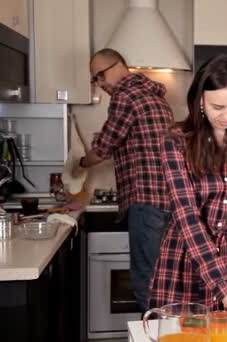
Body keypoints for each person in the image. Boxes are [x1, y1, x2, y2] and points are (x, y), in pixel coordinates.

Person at [148, 54, 227, 327]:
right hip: (186, 261)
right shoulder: (176, 141)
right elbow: (188, 217)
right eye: (217, 106)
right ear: (200, 101)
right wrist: (224, 285)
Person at [73, 48, 174, 313]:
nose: (100, 84)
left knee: (146, 282)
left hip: (146, 202)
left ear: (117, 66)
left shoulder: (125, 95)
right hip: (168, 201)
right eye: (95, 79)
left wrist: (78, 163)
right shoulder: (155, 96)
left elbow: (104, 147)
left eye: (99, 76)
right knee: (163, 281)